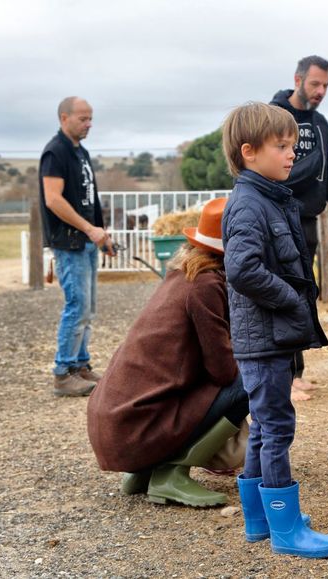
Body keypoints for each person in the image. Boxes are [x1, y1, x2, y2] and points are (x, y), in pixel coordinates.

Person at [221, 102, 328, 558]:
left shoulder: (268, 196)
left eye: (292, 144)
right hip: (265, 337)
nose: (292, 154)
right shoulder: (250, 205)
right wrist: (290, 300)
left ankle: (259, 519)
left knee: (264, 426)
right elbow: (242, 269)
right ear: (249, 152)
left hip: (270, 336)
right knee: (276, 428)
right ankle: (287, 529)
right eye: (282, 146)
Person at [86, 197, 249, 508]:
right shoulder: (206, 285)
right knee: (251, 381)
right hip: (136, 431)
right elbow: (223, 371)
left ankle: (145, 471)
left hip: (115, 426)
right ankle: (171, 472)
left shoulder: (181, 274)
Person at [271, 55, 328, 401]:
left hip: (308, 219)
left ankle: (298, 373)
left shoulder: (321, 123)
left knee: (305, 294)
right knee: (284, 294)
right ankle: (284, 377)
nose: (320, 91)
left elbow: (327, 174)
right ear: (298, 79)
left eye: (325, 86)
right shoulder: (275, 116)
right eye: (314, 84)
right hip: (279, 217)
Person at [39, 96, 115, 397]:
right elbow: (53, 199)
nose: (89, 124)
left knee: (89, 308)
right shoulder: (55, 152)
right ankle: (63, 372)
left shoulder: (80, 152)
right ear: (64, 118)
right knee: (77, 306)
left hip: (87, 240)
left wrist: (101, 232)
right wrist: (88, 229)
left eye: (90, 118)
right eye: (83, 119)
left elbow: (89, 198)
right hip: (69, 242)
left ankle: (81, 365)